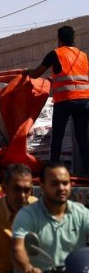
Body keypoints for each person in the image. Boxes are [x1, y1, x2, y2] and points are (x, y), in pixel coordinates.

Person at [25, 25, 89, 175]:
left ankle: (52, 172)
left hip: (64, 101)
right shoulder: (83, 56)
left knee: (58, 138)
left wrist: (25, 72)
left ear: (59, 39)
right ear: (73, 39)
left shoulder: (55, 54)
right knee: (82, 138)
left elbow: (36, 73)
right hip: (84, 102)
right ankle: (87, 172)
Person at [12, 162, 89, 272]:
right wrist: (29, 269)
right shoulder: (27, 214)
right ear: (42, 186)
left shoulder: (81, 213)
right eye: (54, 184)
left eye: (65, 183)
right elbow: (18, 249)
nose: (61, 188)